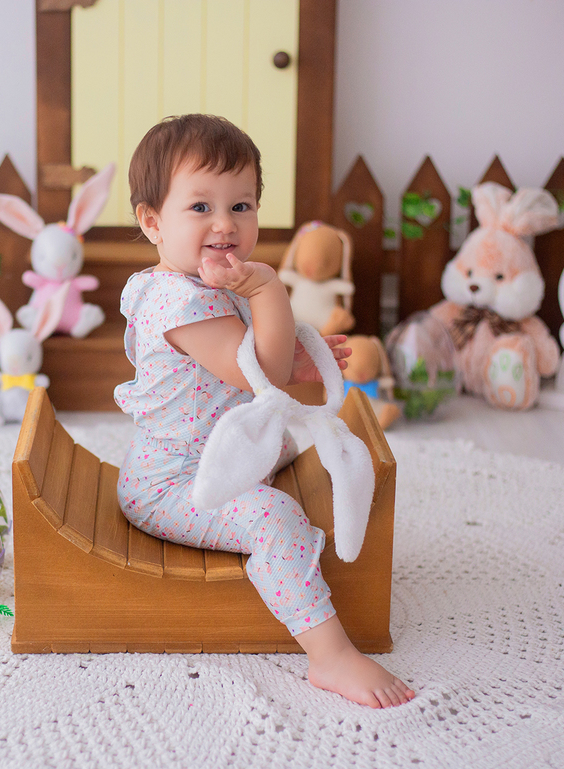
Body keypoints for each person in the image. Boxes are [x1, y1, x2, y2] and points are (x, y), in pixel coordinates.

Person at [114, 114, 415, 708]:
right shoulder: (180, 302)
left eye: (241, 205)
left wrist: (293, 364)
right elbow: (262, 371)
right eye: (200, 207)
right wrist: (266, 289)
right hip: (175, 484)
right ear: (152, 222)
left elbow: (252, 370)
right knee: (275, 518)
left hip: (214, 450)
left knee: (296, 442)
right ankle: (330, 655)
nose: (225, 223)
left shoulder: (197, 284)